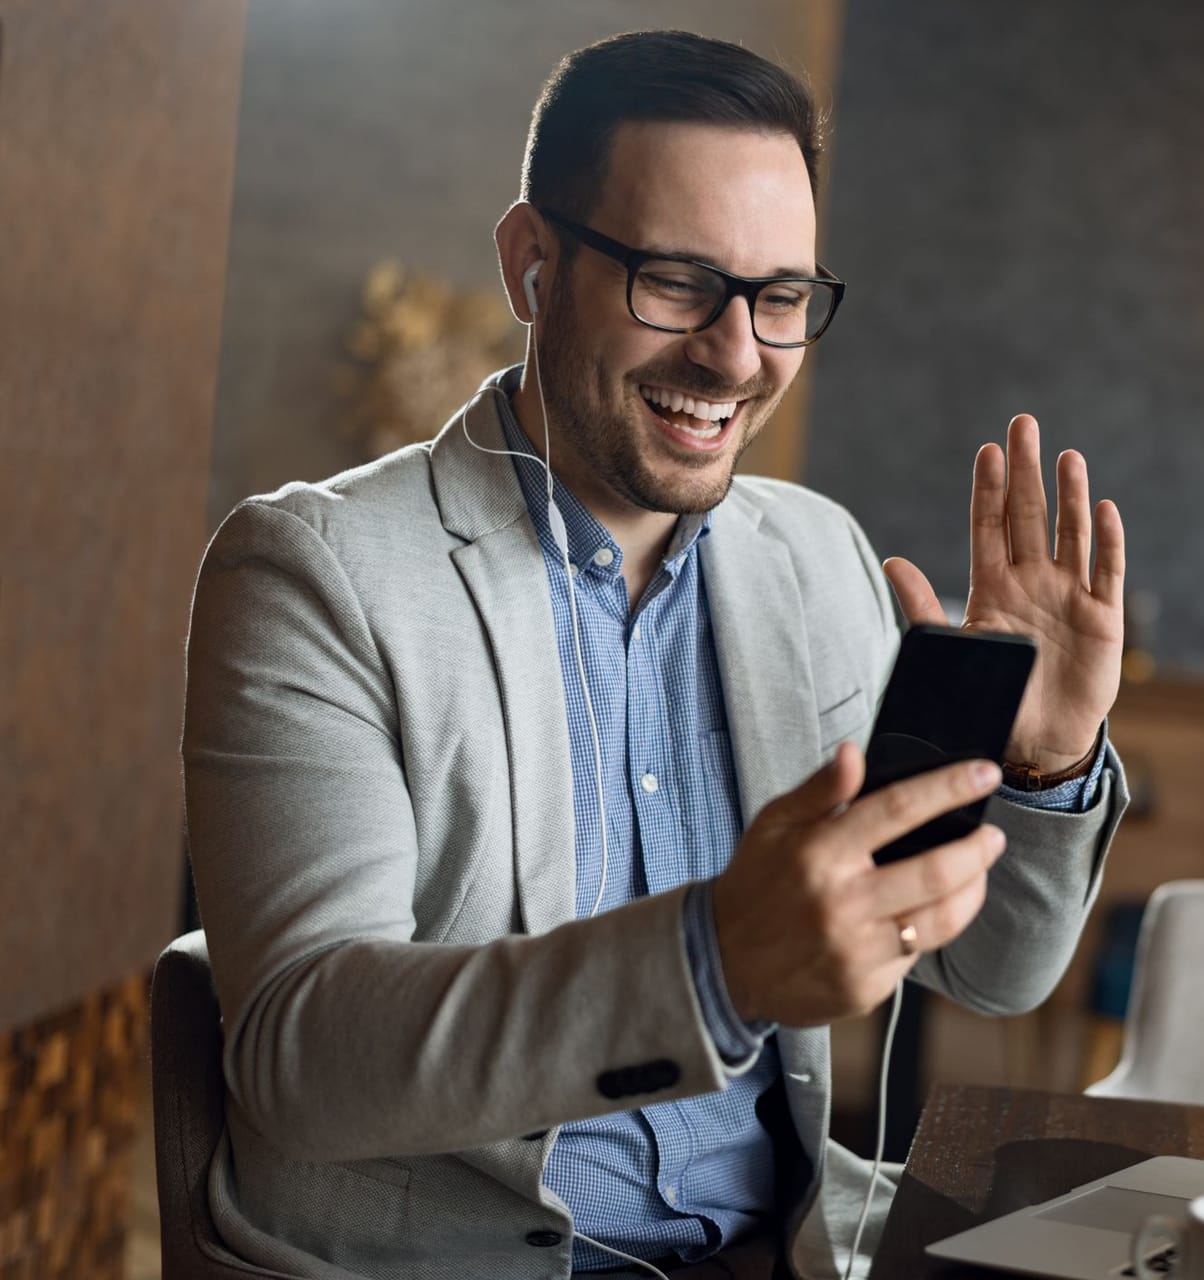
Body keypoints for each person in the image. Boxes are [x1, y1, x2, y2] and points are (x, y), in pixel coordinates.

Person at [181, 28, 1128, 1280]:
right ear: (533, 264)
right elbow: (301, 1059)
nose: (736, 354)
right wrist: (715, 961)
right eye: (677, 281)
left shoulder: (819, 557)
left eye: (781, 297)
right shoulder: (314, 574)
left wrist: (1046, 769)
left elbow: (989, 970)